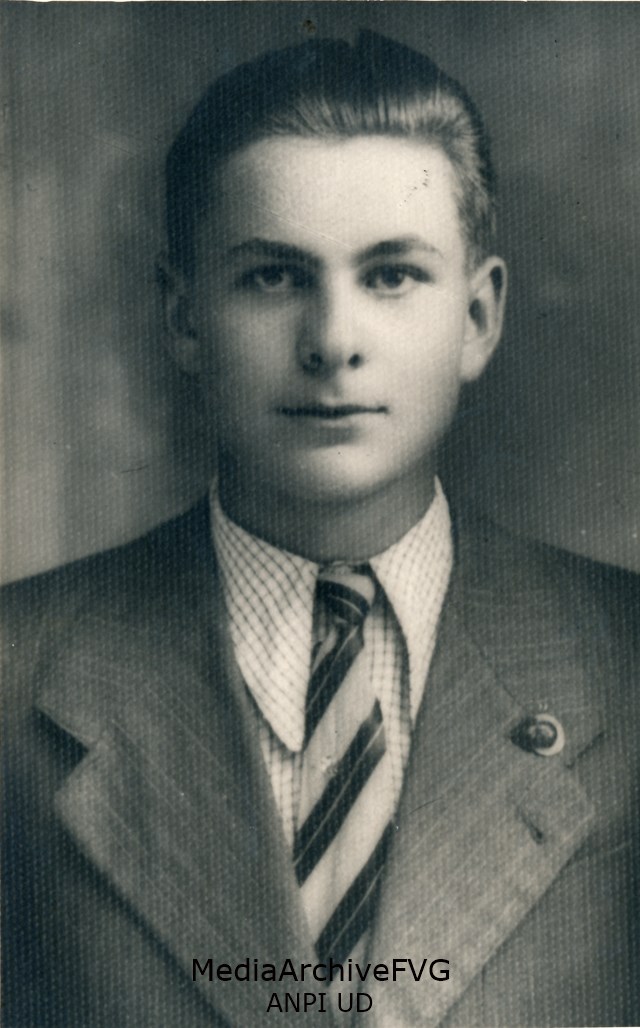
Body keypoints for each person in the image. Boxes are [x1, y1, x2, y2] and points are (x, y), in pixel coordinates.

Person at [3, 30, 639, 1028]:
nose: (333, 341)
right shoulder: (18, 675)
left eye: (391, 276)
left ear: (478, 317)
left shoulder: (621, 657)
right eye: (273, 277)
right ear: (184, 316)